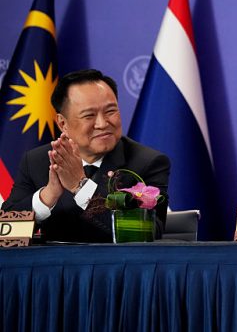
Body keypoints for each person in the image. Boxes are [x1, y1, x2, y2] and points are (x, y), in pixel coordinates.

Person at [2, 69, 170, 242]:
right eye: (89, 115)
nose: (102, 124)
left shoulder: (148, 162)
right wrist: (47, 196)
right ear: (62, 123)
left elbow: (150, 232)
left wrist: (80, 187)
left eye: (110, 111)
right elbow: (5, 232)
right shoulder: (37, 161)